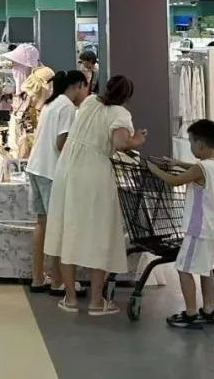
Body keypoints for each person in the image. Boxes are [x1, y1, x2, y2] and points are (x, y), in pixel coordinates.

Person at [44, 76, 146, 315]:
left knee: (68, 231)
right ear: (127, 96)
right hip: (95, 173)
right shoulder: (119, 113)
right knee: (99, 234)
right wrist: (138, 140)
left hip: (68, 169)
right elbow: (120, 143)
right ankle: (96, 302)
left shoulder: (90, 102)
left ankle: (70, 298)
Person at [146, 119, 214, 329]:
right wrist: (177, 163)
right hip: (211, 227)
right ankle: (208, 310)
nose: (190, 147)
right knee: (206, 268)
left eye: (191, 143)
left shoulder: (200, 168)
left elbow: (174, 181)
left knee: (183, 268)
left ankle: (190, 313)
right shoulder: (213, 164)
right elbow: (195, 169)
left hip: (198, 229)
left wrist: (153, 169)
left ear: (201, 145)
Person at [25, 70, 88, 295]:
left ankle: (37, 278)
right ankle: (58, 281)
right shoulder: (68, 108)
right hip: (52, 173)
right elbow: (62, 143)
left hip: (36, 167)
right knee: (57, 228)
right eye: (86, 87)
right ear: (78, 85)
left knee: (41, 224)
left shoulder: (50, 104)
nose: (86, 93)